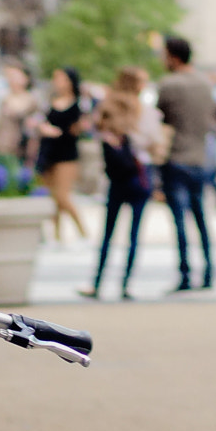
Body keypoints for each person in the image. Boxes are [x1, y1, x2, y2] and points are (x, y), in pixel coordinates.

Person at [81, 66, 161, 300]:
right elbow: (154, 140)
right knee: (134, 234)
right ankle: (126, 284)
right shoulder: (144, 111)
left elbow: (97, 131)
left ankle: (97, 282)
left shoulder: (108, 107)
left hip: (117, 175)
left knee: (108, 231)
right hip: (139, 171)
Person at [153, 35, 216, 292]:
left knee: (180, 220)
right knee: (202, 218)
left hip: (176, 158)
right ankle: (209, 272)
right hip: (201, 159)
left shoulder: (169, 85)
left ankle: (185, 274)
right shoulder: (206, 83)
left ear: (173, 56)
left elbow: (161, 120)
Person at [35, 66, 89, 241]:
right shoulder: (50, 102)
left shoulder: (78, 105)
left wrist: (57, 132)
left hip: (66, 154)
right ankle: (57, 235)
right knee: (52, 198)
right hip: (49, 153)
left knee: (62, 197)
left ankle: (83, 233)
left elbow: (76, 130)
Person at [0, 62, 37, 169]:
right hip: (2, 146)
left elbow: (18, 111)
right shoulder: (5, 97)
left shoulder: (30, 98)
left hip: (20, 148)